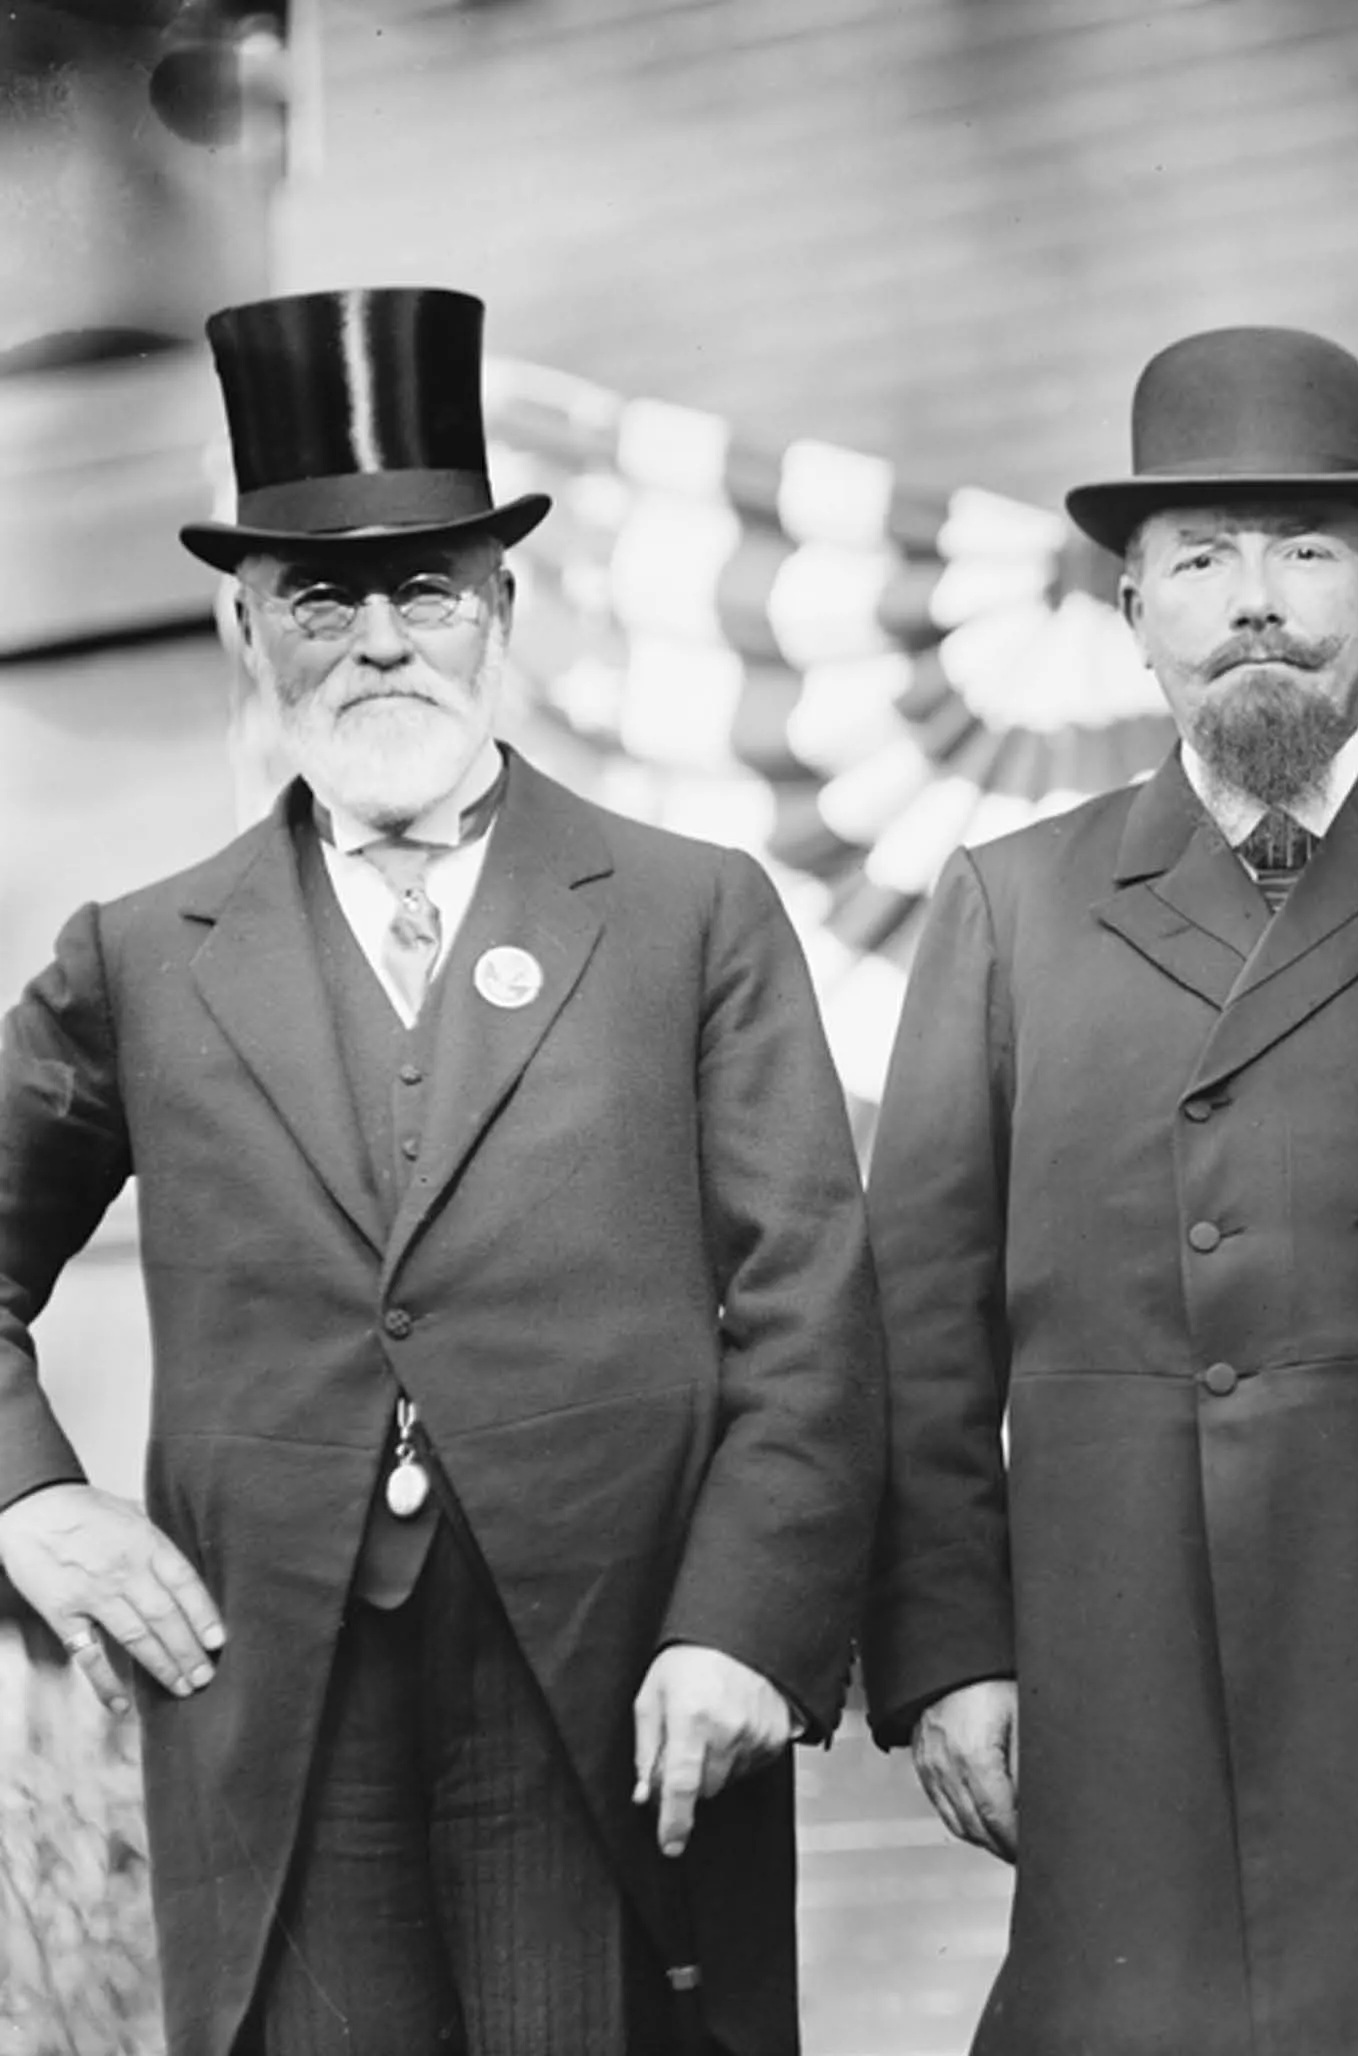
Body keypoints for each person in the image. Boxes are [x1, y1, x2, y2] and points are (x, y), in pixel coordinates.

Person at [0, 287, 886, 2056]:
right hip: (267, 1707)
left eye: (425, 590)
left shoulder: (689, 911)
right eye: (322, 600)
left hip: (621, 1696)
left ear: (501, 609)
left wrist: (743, 1627)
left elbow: (809, 1305)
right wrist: (33, 1504)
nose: (379, 641)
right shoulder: (140, 954)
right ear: (249, 632)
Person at [859, 325, 1358, 2055]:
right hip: (1129, 1656)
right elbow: (914, 1328)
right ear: (1133, 615)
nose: (1254, 602)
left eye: (1304, 553)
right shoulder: (1013, 906)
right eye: (1200, 559)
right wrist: (947, 1652)